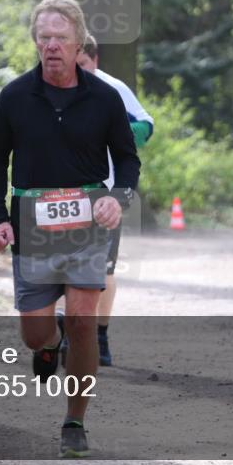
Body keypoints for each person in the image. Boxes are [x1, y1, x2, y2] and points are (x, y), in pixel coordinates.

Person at [0, 0, 140, 458]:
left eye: (61, 38)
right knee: (35, 333)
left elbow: (128, 161)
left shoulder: (105, 98)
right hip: (31, 222)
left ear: (78, 44)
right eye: (44, 37)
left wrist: (118, 197)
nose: (51, 45)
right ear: (36, 42)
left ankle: (75, 420)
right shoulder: (14, 97)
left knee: (83, 321)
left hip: (88, 221)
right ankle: (49, 346)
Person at [74, 34, 153, 366]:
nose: (76, 72)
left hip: (106, 190)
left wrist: (113, 133)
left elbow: (146, 125)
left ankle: (100, 336)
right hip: (63, 193)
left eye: (82, 66)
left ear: (95, 61)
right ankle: (69, 334)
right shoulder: (51, 88)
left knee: (103, 269)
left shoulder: (113, 89)